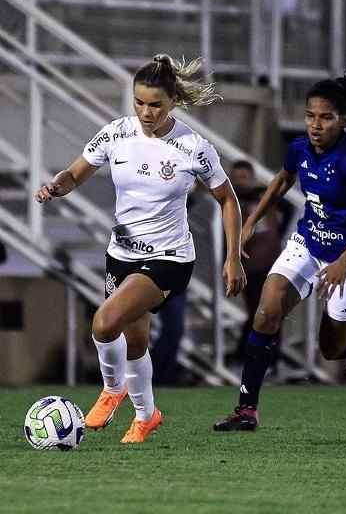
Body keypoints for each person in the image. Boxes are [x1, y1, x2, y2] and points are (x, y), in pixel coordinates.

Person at [35, 54, 246, 443]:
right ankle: (146, 416)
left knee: (103, 323)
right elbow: (75, 173)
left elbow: (228, 199)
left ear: (173, 102)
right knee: (134, 343)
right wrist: (56, 186)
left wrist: (233, 257)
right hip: (122, 254)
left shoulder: (192, 146)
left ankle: (112, 389)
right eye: (139, 102)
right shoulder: (116, 134)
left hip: (168, 258)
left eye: (155, 105)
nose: (146, 112)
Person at [214, 57, 346, 431]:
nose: (315, 125)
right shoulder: (300, 149)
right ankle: (246, 411)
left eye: (326, 118)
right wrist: (251, 221)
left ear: (344, 119)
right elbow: (282, 181)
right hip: (308, 242)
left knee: (330, 348)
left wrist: (345, 262)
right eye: (309, 116)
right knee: (267, 311)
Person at [229, 160, 294, 372]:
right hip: (249, 266)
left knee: (274, 311)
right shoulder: (233, 202)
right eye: (236, 178)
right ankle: (246, 357)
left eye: (244, 177)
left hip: (271, 263)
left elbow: (289, 207)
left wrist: (278, 237)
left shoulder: (263, 196)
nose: (241, 182)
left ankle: (268, 360)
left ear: (252, 176)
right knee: (259, 312)